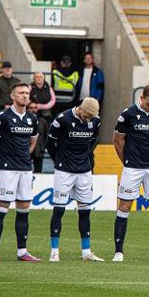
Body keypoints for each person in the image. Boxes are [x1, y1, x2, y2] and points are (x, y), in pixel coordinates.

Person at [112, 85, 149, 262]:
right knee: (124, 206)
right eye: (148, 104)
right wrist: (127, 162)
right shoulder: (128, 114)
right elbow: (117, 141)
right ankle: (118, 252)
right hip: (133, 168)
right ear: (141, 98)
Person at [0, 81, 40, 262]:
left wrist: (24, 157)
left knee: (24, 209)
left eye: (27, 93)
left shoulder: (32, 118)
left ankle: (22, 251)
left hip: (25, 169)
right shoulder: (3, 117)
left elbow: (32, 143)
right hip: (7, 169)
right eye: (21, 93)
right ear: (12, 96)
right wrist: (1, 160)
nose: (25, 96)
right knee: (2, 207)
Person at [46, 97, 103, 262]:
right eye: (87, 116)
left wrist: (85, 156)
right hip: (64, 171)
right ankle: (54, 251)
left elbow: (94, 140)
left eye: (91, 117)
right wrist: (59, 160)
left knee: (85, 211)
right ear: (81, 108)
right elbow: (51, 143)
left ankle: (86, 251)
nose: (88, 120)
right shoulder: (63, 119)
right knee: (59, 210)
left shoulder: (95, 121)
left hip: (84, 171)